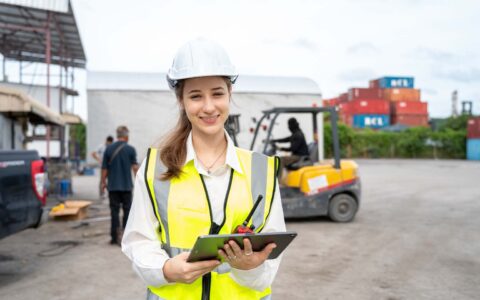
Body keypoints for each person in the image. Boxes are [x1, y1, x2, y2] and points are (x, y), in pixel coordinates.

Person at [122, 38, 286, 300]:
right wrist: (166, 269)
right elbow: (138, 241)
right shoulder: (156, 168)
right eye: (196, 96)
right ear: (181, 100)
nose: (208, 106)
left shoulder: (261, 170)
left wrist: (249, 267)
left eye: (217, 93)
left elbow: (268, 267)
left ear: (230, 93)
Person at [101, 126, 138, 245]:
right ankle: (126, 238)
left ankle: (114, 237)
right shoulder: (131, 149)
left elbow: (104, 169)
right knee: (127, 212)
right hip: (127, 186)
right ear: (126, 136)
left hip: (113, 187)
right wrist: (139, 183)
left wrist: (103, 182)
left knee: (114, 212)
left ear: (117, 136)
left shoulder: (109, 149)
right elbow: (135, 168)